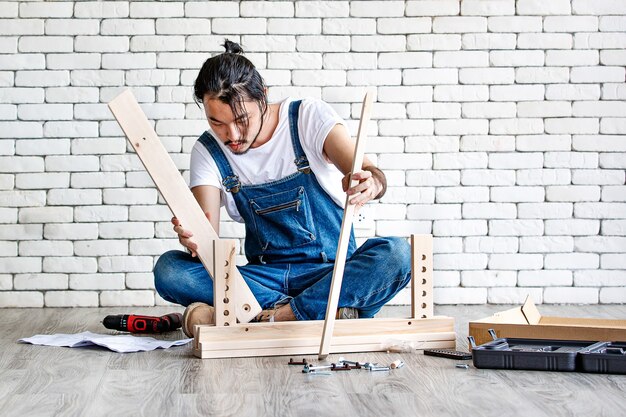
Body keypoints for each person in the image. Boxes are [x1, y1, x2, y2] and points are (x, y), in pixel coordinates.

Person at [153, 40, 411, 337]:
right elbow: (206, 247)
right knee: (170, 270)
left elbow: (372, 174)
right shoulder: (208, 152)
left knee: (398, 254)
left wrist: (371, 183)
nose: (232, 135)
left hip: (329, 272)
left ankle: (271, 315)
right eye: (217, 123)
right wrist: (192, 240)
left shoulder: (307, 118)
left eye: (241, 119)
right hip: (265, 278)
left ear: (262, 96)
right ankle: (326, 311)